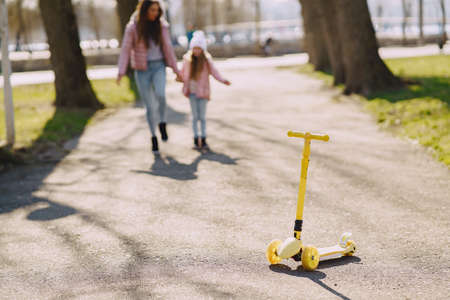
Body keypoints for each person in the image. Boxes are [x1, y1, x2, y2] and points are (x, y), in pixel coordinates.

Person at [117, 0, 182, 154]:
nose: (155, 13)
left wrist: (176, 69)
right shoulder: (133, 27)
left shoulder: (162, 26)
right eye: (152, 10)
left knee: (161, 95)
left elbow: (168, 48)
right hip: (141, 70)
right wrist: (121, 71)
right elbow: (126, 49)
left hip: (158, 66)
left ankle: (163, 123)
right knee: (149, 106)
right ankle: (153, 136)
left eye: (157, 10)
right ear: (145, 10)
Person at [180, 31, 231, 151]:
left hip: (203, 92)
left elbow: (214, 72)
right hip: (191, 91)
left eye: (199, 48)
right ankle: (195, 138)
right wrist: (178, 77)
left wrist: (223, 80)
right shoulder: (187, 60)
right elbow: (182, 73)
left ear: (203, 49)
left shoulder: (207, 60)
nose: (197, 51)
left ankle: (203, 139)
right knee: (194, 116)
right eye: (195, 48)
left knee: (202, 117)